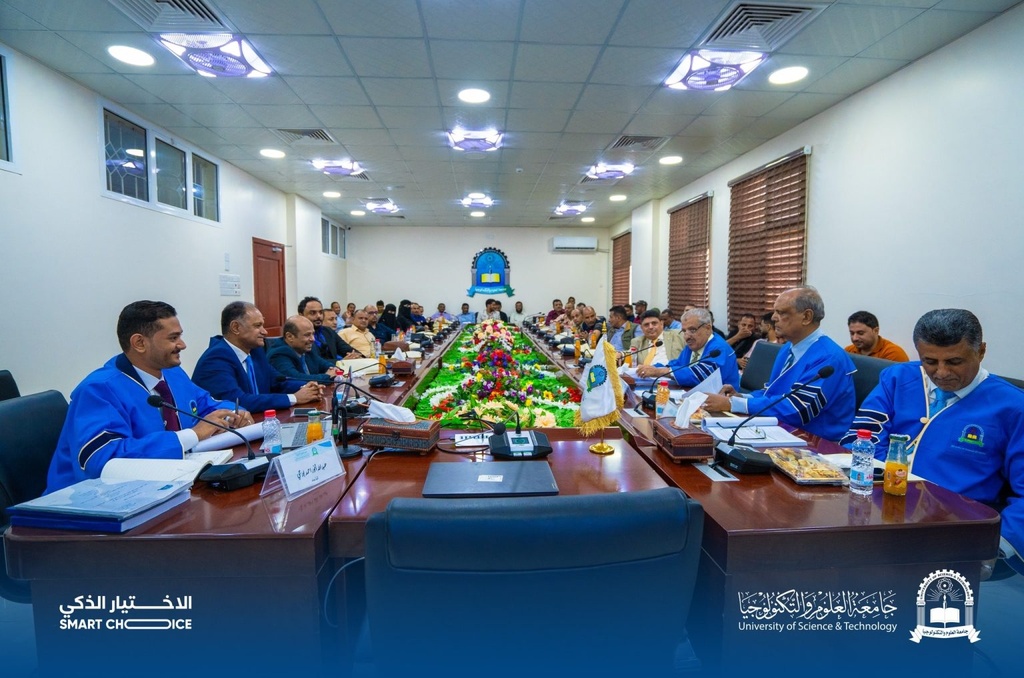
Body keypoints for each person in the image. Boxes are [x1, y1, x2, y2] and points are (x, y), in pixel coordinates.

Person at [840, 309, 1024, 573]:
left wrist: (995, 545)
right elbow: (863, 436)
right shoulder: (898, 378)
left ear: (981, 351)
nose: (941, 372)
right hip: (878, 512)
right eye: (929, 361)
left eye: (954, 361)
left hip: (954, 530)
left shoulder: (1013, 406)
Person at [46, 301, 249, 492]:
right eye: (173, 338)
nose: (182, 344)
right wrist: (193, 435)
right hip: (90, 502)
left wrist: (233, 414)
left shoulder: (172, 373)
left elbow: (207, 404)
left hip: (167, 487)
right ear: (139, 343)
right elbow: (104, 460)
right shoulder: (97, 390)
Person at [702, 286, 856, 441]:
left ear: (806, 317)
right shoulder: (787, 348)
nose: (774, 318)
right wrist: (741, 396)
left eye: (781, 313)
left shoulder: (830, 358)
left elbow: (797, 409)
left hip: (817, 443)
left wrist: (733, 404)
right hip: (781, 431)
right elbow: (772, 393)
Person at [192, 302, 323, 413]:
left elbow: (278, 382)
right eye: (257, 326)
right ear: (235, 327)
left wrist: (307, 387)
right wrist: (294, 398)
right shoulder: (215, 359)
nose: (264, 331)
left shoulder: (255, 351)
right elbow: (238, 401)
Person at [642, 309, 740, 390]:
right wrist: (653, 368)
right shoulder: (694, 344)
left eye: (692, 330)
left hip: (722, 400)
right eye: (684, 331)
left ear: (708, 328)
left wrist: (660, 371)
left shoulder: (719, 349)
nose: (687, 336)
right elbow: (678, 364)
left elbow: (699, 375)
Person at [267, 316, 341, 384]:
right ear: (290, 336)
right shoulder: (278, 354)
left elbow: (325, 364)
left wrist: (334, 370)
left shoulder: (306, 348)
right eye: (307, 335)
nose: (313, 339)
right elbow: (295, 378)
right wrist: (327, 376)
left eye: (313, 334)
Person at [298, 296, 359, 361]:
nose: (318, 316)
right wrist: (340, 362)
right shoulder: (298, 336)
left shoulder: (328, 331)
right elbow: (313, 361)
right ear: (301, 315)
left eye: (320, 312)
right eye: (313, 313)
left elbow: (346, 349)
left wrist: (357, 355)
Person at [845, 310, 909, 362]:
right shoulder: (848, 351)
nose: (855, 338)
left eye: (860, 333)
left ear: (876, 331)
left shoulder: (893, 353)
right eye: (852, 333)